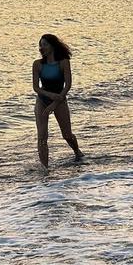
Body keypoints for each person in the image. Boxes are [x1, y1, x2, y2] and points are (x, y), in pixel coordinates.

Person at [32, 34, 84, 168]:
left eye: (45, 45)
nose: (41, 48)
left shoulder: (64, 62)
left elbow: (67, 85)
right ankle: (45, 169)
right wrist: (50, 96)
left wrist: (55, 103)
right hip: (42, 100)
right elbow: (36, 87)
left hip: (60, 100)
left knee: (67, 134)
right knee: (42, 138)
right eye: (40, 45)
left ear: (52, 46)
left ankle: (77, 152)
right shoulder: (37, 64)